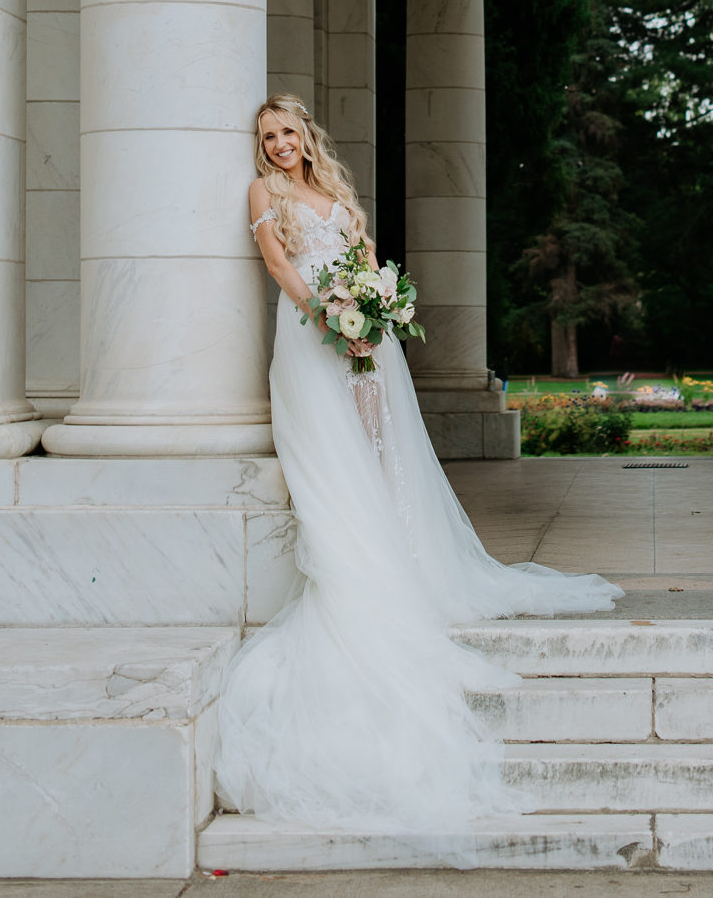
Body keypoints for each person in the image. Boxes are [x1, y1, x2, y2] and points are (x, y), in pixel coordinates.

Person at [213, 93, 623, 858]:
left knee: (384, 444)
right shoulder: (262, 194)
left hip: (362, 333)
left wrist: (373, 301)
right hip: (311, 335)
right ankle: (363, 564)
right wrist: (326, 316)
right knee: (335, 450)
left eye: (288, 133)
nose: (278, 146)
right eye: (267, 137)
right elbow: (277, 264)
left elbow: (363, 252)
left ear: (306, 135)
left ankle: (406, 551)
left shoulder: (332, 190)